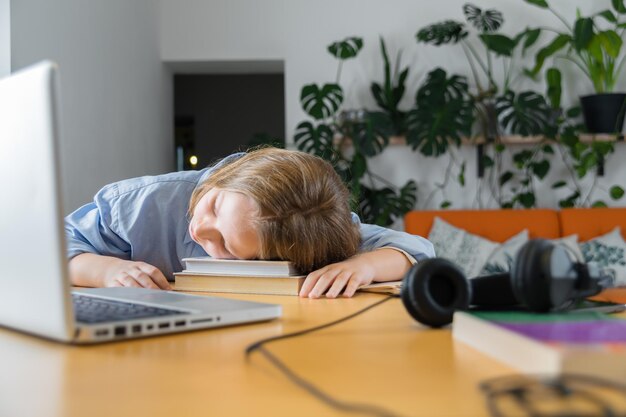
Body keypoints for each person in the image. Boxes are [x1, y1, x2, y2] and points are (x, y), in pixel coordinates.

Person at [65, 147, 434, 298]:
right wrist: (105, 271)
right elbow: (52, 243)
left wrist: (365, 264)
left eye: (226, 246)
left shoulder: (313, 228)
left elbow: (420, 249)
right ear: (229, 176)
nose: (199, 229)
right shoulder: (141, 204)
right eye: (213, 205)